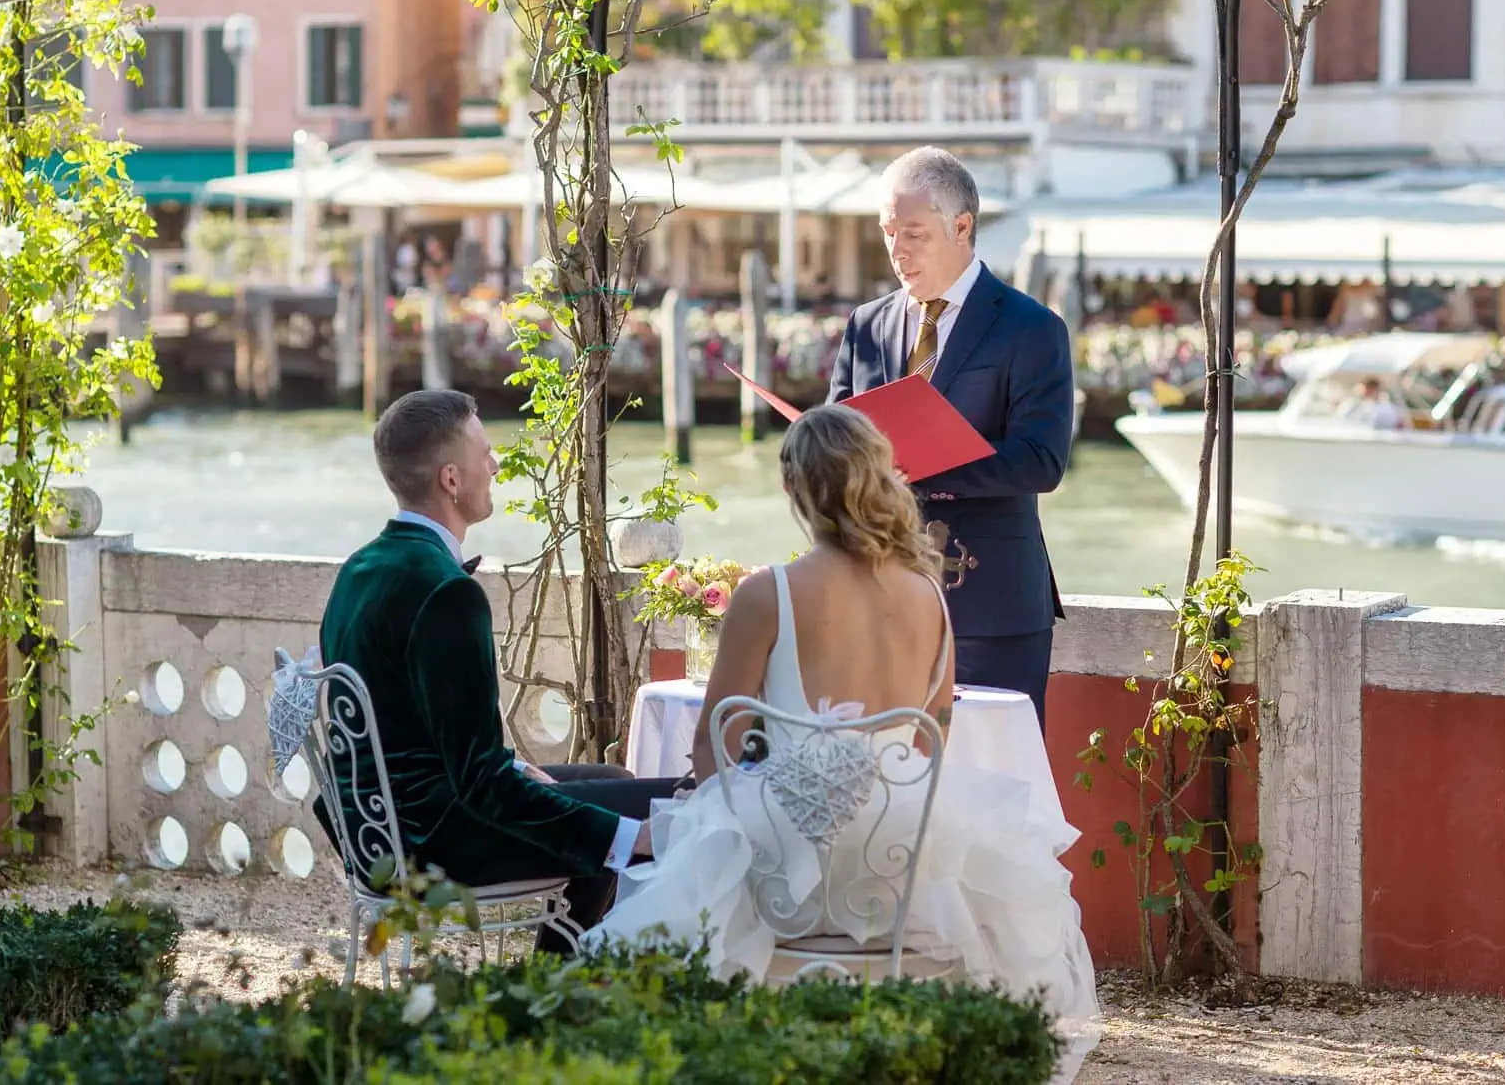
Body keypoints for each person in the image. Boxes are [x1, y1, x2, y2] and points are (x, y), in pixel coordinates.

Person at [584, 405, 1098, 1062]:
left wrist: (739, 820)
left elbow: (716, 741)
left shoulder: (768, 592)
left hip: (789, 864)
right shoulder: (927, 592)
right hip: (902, 864)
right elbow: (929, 735)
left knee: (681, 882)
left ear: (793, 489)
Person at [315, 389, 683, 953]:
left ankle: (558, 970)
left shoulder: (361, 567)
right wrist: (629, 837)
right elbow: (481, 784)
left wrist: (517, 769)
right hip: (432, 841)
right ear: (451, 480)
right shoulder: (445, 592)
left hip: (379, 829)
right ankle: (560, 990)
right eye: (484, 454)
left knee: (617, 785)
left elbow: (415, 726)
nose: (495, 465)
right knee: (672, 807)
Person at [827, 147, 1073, 726]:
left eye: (913, 232)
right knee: (886, 781)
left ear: (962, 227)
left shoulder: (1032, 328)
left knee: (993, 781)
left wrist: (921, 463)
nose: (897, 249)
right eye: (889, 231)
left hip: (992, 601)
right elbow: (836, 433)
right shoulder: (867, 324)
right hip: (879, 597)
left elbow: (1041, 461)